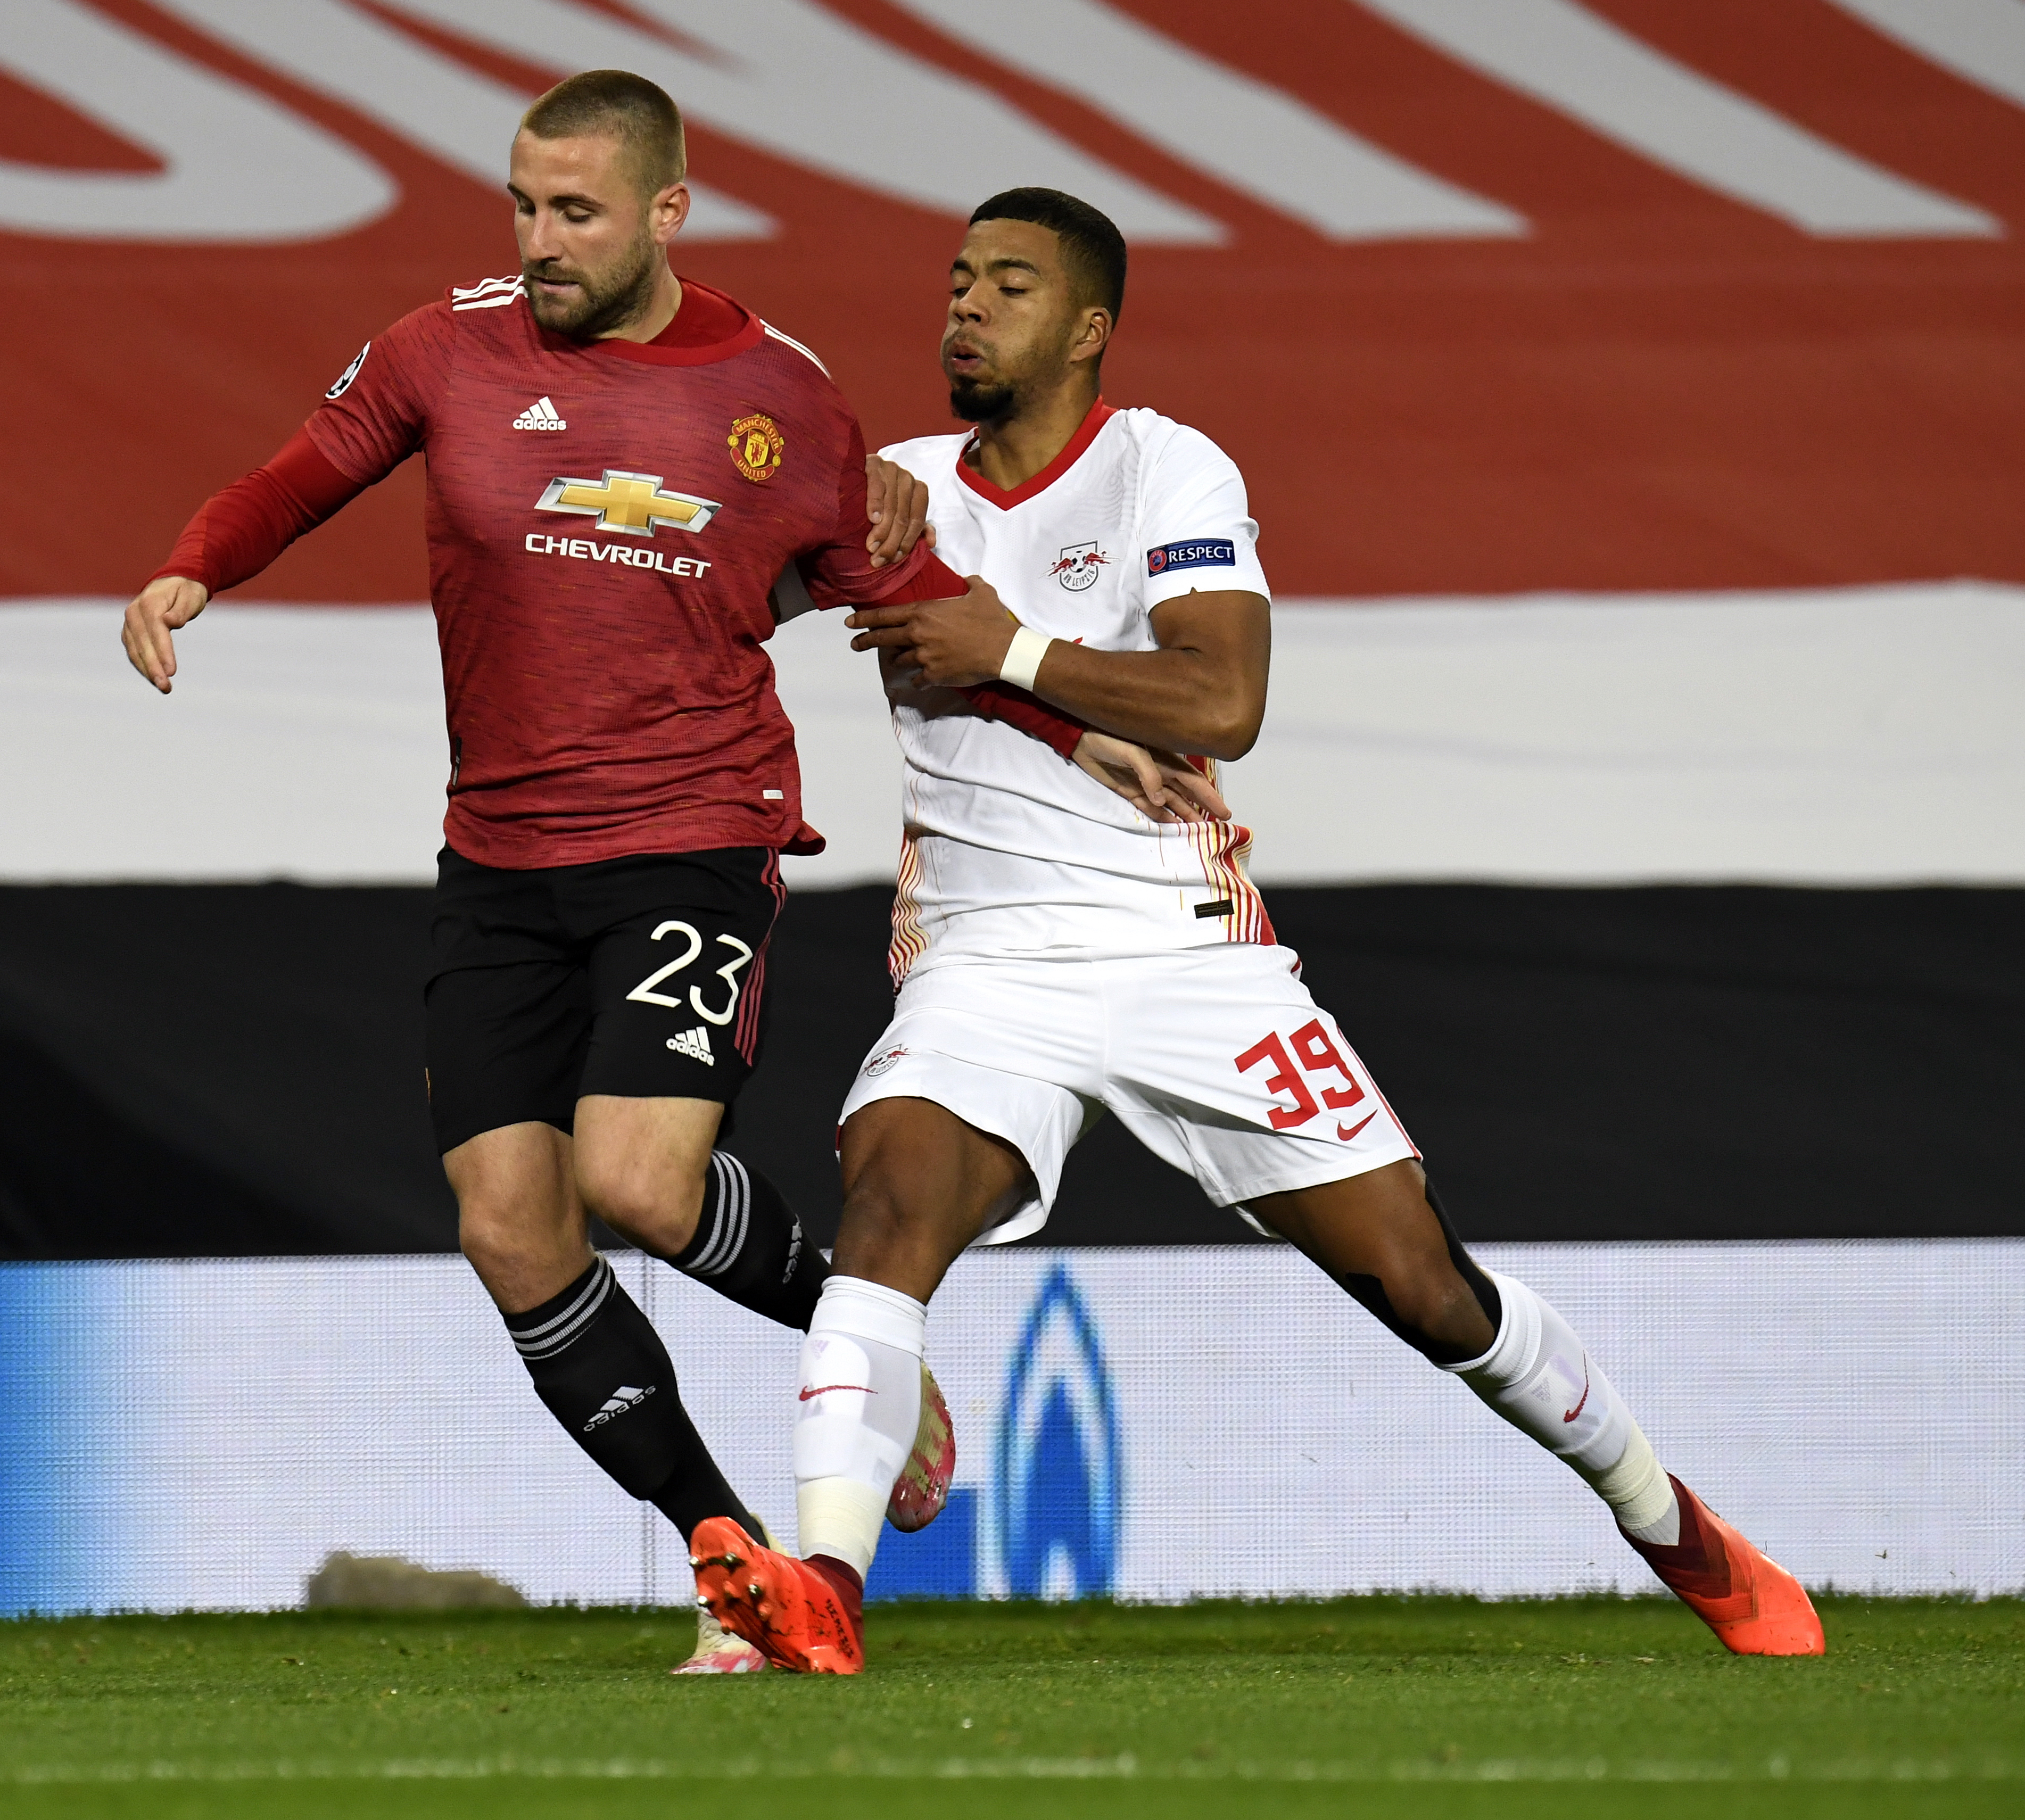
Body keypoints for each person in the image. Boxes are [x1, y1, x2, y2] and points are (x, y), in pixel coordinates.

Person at [691, 187, 1825, 1673]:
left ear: (1088, 327)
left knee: (1425, 1285)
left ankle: (1665, 1515)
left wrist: (1006, 645)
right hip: (985, 957)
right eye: (959, 281)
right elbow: (705, 576)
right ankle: (822, 1594)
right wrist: (798, 493)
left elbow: (1223, 701)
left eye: (1010, 287)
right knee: (886, 1222)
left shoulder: (1168, 468)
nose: (965, 308)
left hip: (1188, 952)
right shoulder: (895, 484)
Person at [119, 72, 1097, 1673]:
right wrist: (192, 562)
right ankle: (735, 1559)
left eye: (574, 211)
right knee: (511, 1227)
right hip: (499, 856)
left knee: (635, 1178)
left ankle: (873, 1350)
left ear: (666, 212)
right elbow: (305, 467)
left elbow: (909, 594)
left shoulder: (774, 392)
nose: (538, 239)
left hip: (693, 829)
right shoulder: (447, 347)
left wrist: (1084, 718)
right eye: (521, 203)